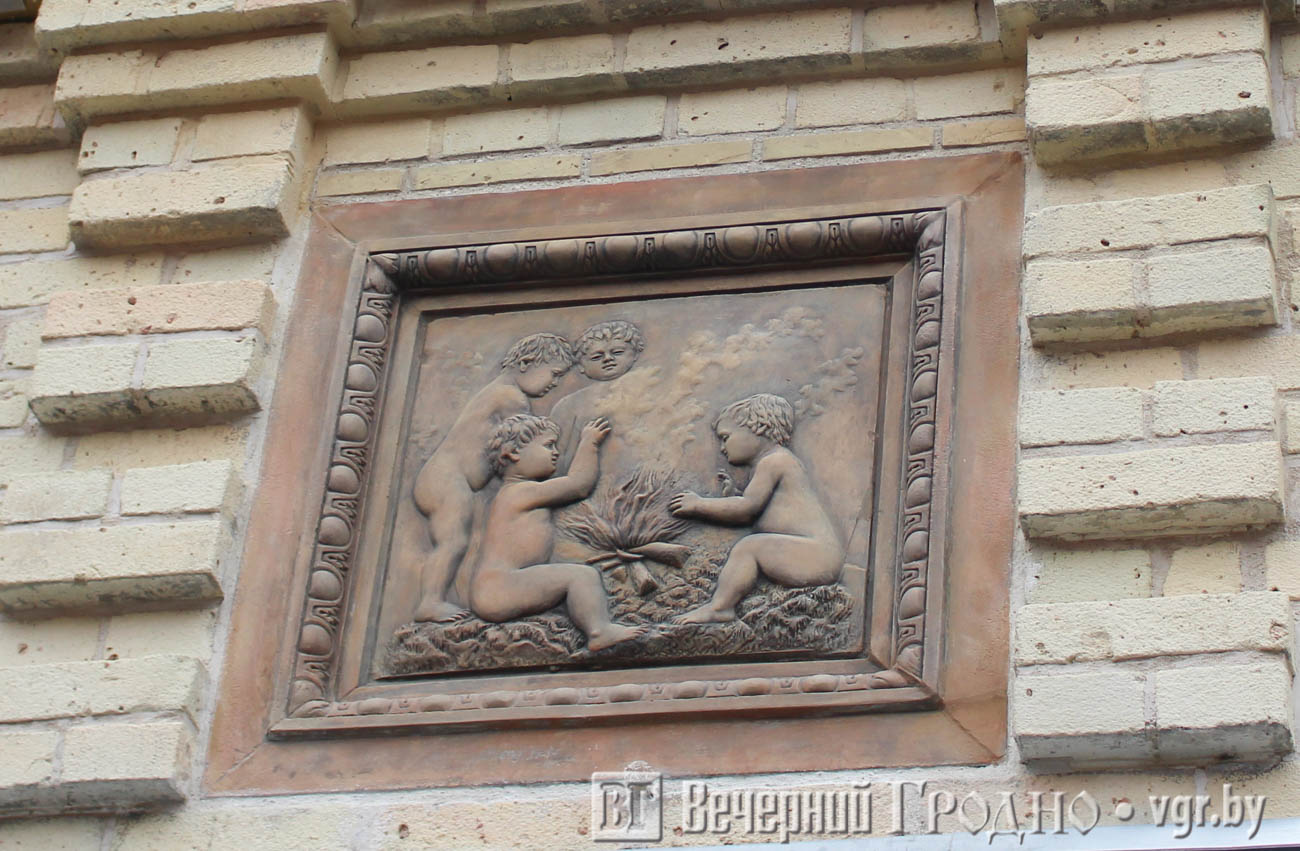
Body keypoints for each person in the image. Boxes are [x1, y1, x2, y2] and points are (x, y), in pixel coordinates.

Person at [412, 333, 574, 623]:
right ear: (525, 363)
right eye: (554, 374)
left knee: (461, 541)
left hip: (451, 480)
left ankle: (447, 597)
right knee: (453, 541)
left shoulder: (499, 392)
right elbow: (524, 439)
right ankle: (430, 602)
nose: (555, 383)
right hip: (447, 479)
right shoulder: (509, 397)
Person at [470, 413, 648, 651]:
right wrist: (589, 442)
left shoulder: (513, 493)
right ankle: (598, 631)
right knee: (581, 576)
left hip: (498, 586)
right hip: (501, 588)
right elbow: (578, 485)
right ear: (512, 453)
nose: (556, 453)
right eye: (548, 445)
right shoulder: (520, 492)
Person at [669, 393, 843, 624]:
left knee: (749, 547)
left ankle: (721, 607)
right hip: (815, 553)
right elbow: (763, 507)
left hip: (815, 555)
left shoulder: (774, 461)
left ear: (757, 429)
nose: (722, 447)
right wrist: (733, 495)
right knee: (752, 545)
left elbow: (747, 510)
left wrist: (698, 504)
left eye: (726, 437)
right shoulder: (776, 461)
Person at [549, 320, 645, 468]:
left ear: (635, 354)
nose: (608, 358)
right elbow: (557, 455)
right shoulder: (569, 405)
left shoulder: (650, 392)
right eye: (596, 357)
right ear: (581, 366)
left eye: (617, 352)